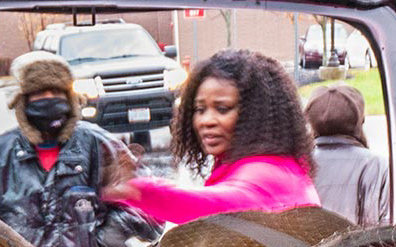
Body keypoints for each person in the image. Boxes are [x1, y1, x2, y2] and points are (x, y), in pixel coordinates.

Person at [0, 51, 156, 247]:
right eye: (38, 93)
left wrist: (105, 242)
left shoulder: (97, 145)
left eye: (56, 92)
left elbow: (148, 201)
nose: (48, 98)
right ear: (23, 101)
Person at [104, 49, 319, 223]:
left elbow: (216, 205)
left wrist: (141, 190)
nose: (206, 120)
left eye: (223, 108)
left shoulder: (266, 172)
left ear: (256, 113)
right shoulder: (276, 165)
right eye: (200, 109)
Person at [304, 83, 391, 226]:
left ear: (310, 122)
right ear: (360, 121)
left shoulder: (297, 165)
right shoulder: (378, 165)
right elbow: (386, 226)